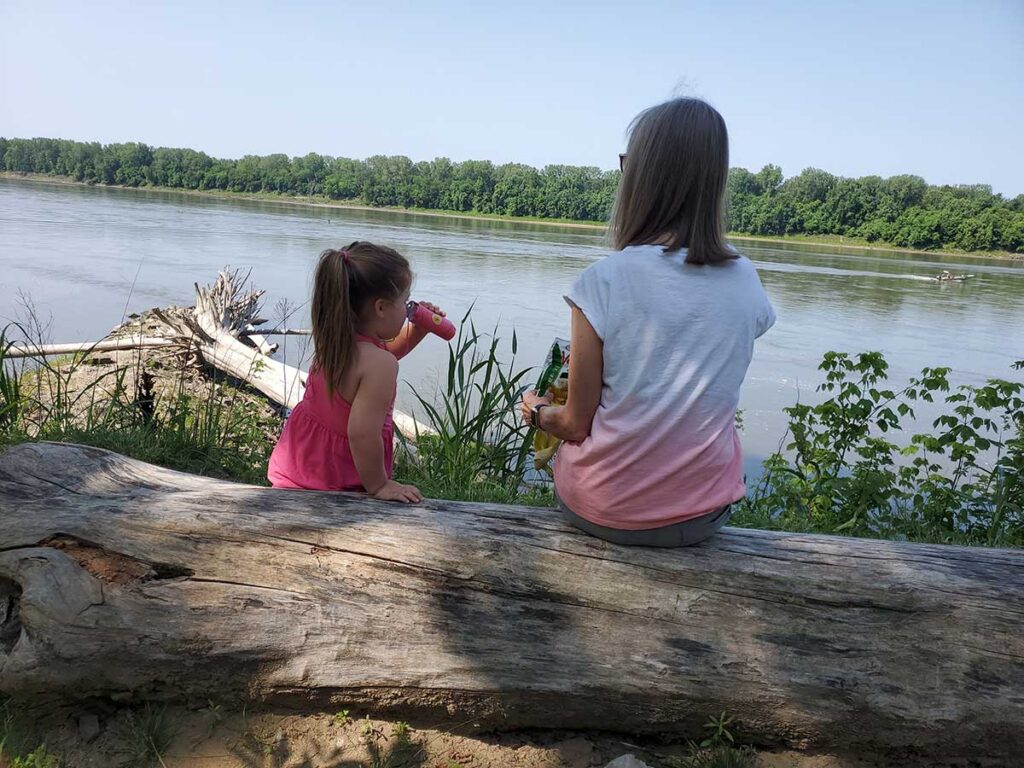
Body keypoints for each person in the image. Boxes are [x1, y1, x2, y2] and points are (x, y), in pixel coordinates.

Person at [520, 97, 775, 547]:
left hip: (602, 509)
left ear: (642, 180)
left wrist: (537, 411)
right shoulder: (746, 280)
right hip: (702, 516)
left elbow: (576, 426)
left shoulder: (602, 282)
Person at [269, 241, 443, 502]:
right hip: (334, 481)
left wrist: (418, 331)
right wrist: (379, 486)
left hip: (300, 467)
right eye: (405, 302)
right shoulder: (380, 364)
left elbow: (381, 355)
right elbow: (362, 433)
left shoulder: (338, 339)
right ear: (381, 308)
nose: (409, 311)